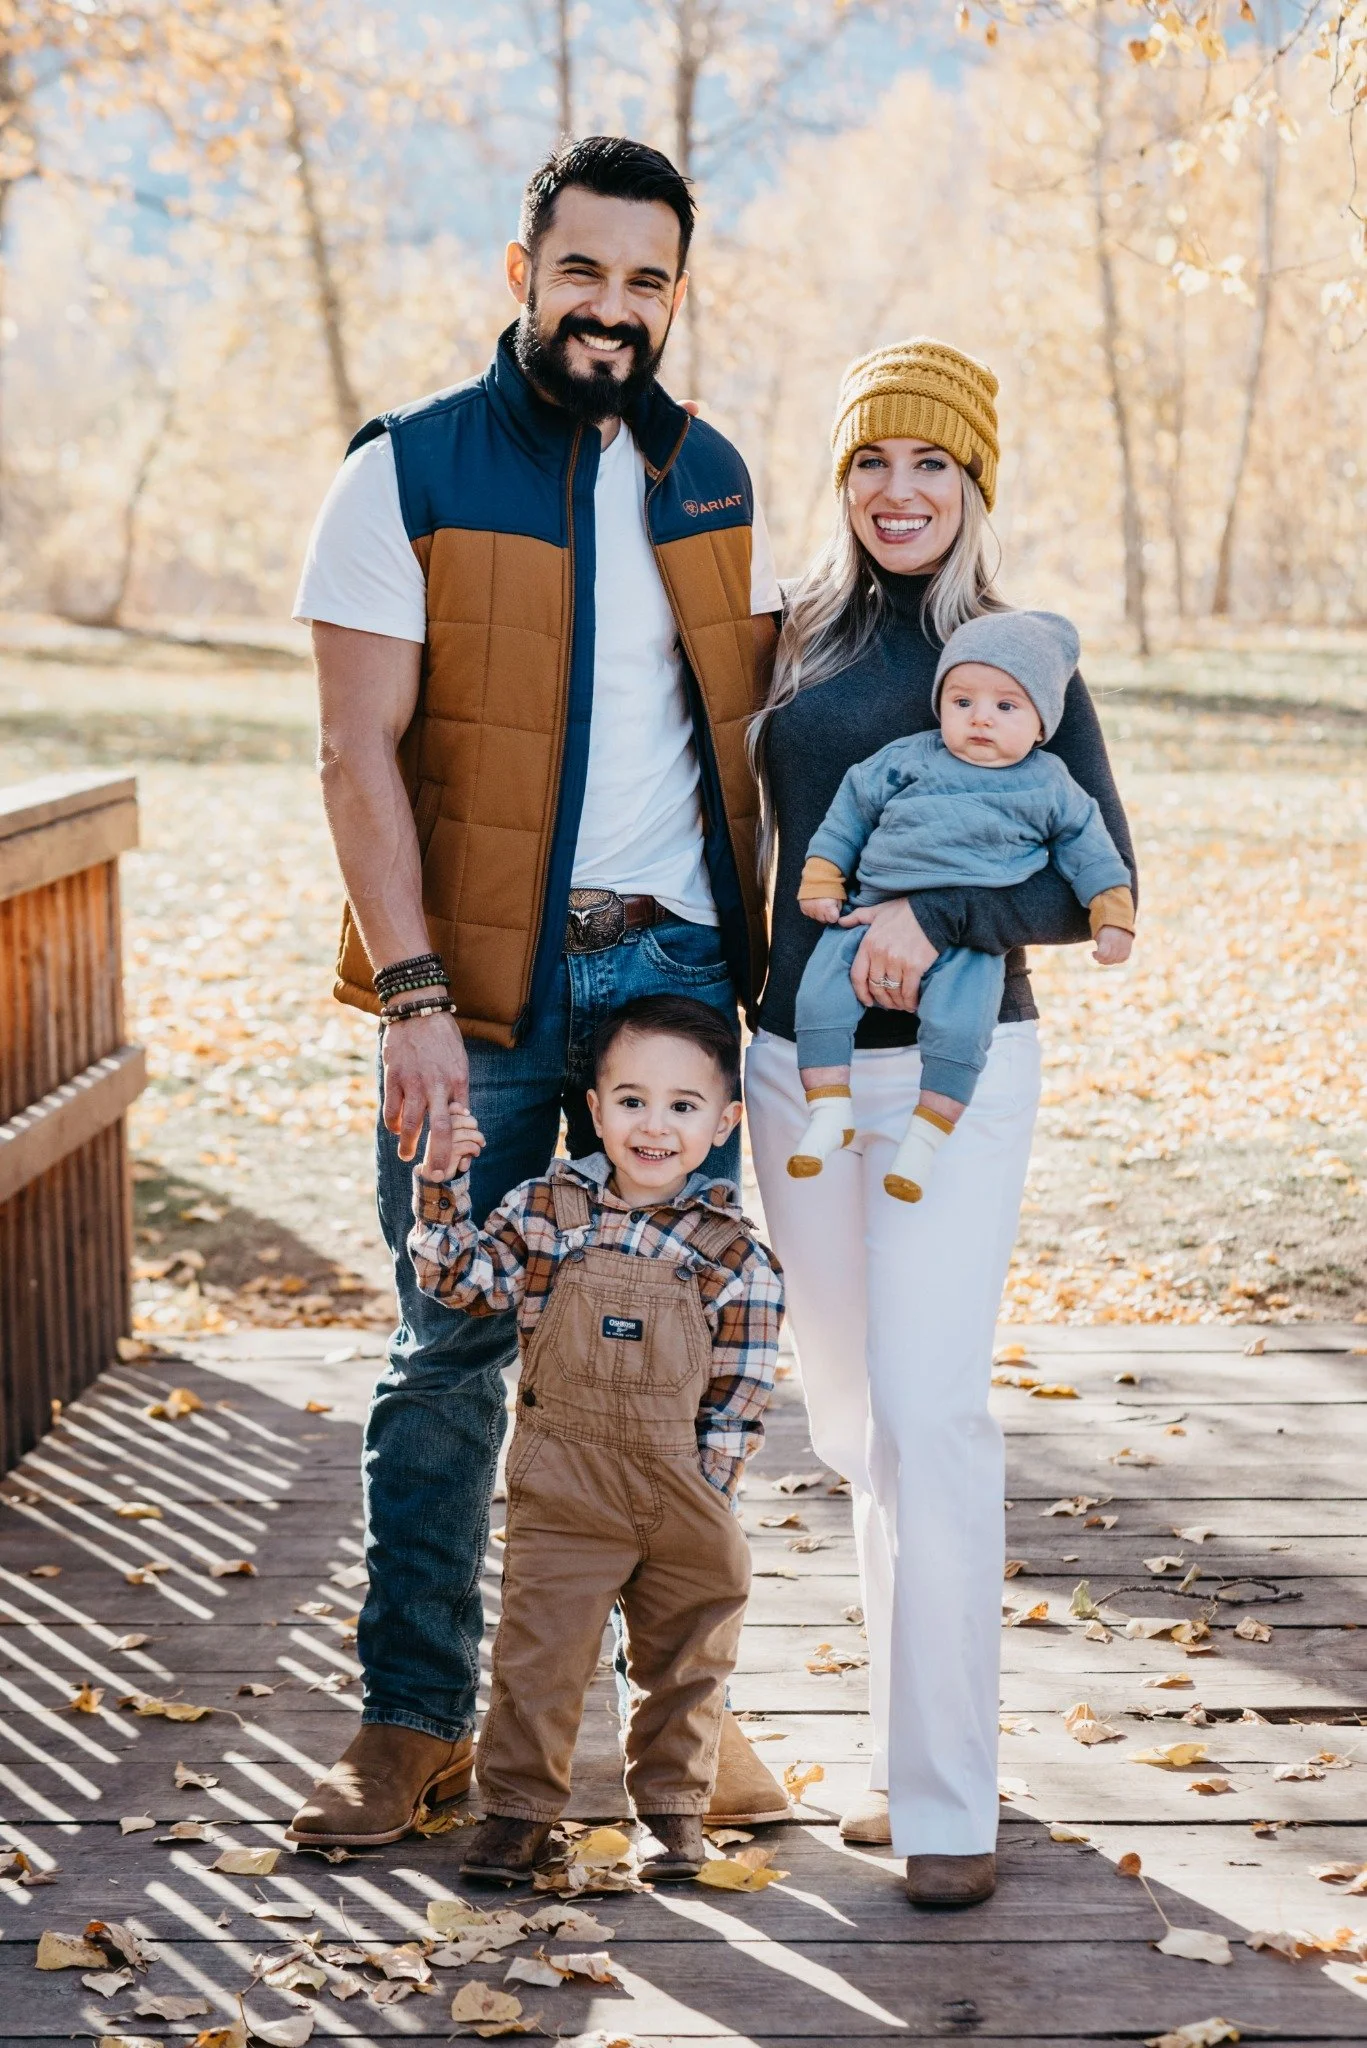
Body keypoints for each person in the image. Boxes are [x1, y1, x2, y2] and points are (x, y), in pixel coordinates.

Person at [287, 134, 789, 1849]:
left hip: (673, 974)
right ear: (524, 272)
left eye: (646, 281)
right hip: (478, 983)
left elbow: (754, 730)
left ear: (673, 294)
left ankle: (685, 1722)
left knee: (674, 1360)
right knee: (450, 1350)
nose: (613, 308)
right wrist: (414, 991)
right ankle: (410, 1723)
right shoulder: (406, 472)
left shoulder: (711, 475)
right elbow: (357, 756)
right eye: (583, 272)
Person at [743, 339, 1137, 1907]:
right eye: (867, 464)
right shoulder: (791, 637)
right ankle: (901, 1757)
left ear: (972, 482)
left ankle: (949, 1801)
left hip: (954, 1080)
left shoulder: (1016, 647)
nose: (894, 492)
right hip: (791, 1063)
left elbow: (1092, 871)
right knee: (846, 1424)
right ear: (840, 480)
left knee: (929, 1412)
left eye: (928, 466)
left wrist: (936, 910)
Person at [407, 996, 783, 1883]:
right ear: (595, 1105)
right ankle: (516, 1813)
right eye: (631, 1100)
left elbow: (739, 1393)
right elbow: (460, 1281)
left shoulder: (734, 1254)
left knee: (685, 1660)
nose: (655, 1125)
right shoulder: (546, 1209)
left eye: (684, 1107)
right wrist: (440, 1182)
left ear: (724, 1122)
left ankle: (672, 1813)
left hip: (679, 1489)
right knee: (538, 1655)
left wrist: (707, 1488)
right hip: (565, 1484)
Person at [788, 609, 1135, 1199]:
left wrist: (1112, 913)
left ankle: (924, 1140)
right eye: (962, 701)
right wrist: (823, 876)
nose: (980, 719)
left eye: (1006, 707)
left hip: (971, 944)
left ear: (1042, 723)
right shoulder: (910, 757)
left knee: (961, 1027)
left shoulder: (1050, 784)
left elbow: (1094, 851)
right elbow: (850, 811)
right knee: (820, 996)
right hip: (867, 912)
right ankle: (827, 1110)